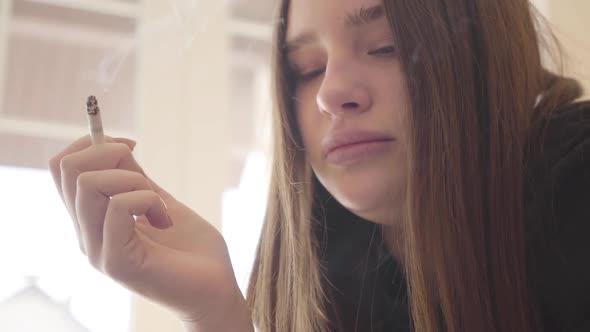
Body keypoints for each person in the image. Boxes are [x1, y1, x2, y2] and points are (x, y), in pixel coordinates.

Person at [49, 0, 590, 331]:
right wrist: (214, 314)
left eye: (384, 46)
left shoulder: (575, 180)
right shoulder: (335, 268)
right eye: (306, 68)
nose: (331, 93)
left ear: (481, 49)